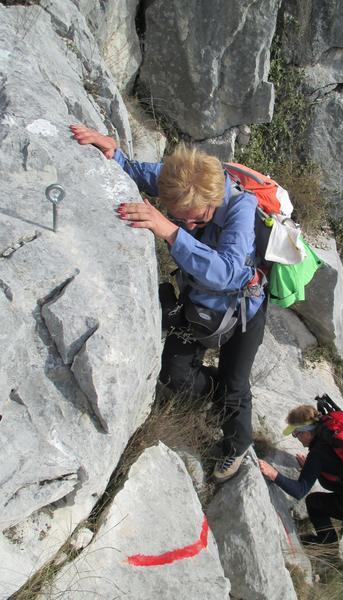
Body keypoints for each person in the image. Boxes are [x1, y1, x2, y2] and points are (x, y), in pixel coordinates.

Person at [70, 124, 267, 482]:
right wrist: (114, 154)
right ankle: (217, 395)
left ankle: (238, 444)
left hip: (244, 309)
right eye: (180, 216)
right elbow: (144, 174)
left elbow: (226, 271)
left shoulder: (241, 207)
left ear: (213, 201)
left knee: (236, 384)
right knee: (174, 374)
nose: (189, 224)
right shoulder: (181, 179)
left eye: (198, 218)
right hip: (198, 304)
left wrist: (171, 229)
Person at [259, 404, 343, 600]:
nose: (296, 438)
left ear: (308, 432)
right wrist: (312, 469)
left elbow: (299, 491)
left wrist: (274, 474)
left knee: (314, 502)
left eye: (297, 434)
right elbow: (340, 467)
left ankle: (328, 543)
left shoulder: (318, 453)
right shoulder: (334, 431)